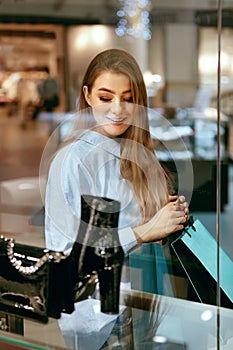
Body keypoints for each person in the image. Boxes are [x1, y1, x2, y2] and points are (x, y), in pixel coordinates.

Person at [44, 48, 189, 349]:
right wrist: (145, 231)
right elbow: (66, 251)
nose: (118, 110)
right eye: (106, 98)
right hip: (103, 314)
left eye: (129, 98)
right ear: (87, 95)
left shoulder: (135, 153)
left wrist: (167, 216)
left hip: (144, 300)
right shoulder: (74, 160)